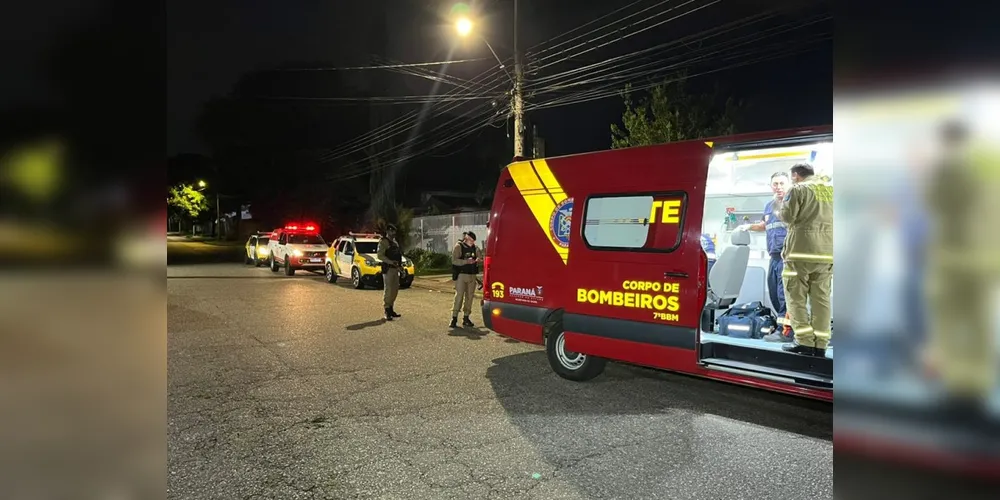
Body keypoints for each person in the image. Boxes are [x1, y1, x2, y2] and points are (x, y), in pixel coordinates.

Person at [778, 163, 833, 357]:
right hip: (827, 253)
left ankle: (804, 342)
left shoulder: (798, 189)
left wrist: (779, 207)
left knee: (796, 298)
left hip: (800, 253)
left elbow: (787, 217)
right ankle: (821, 344)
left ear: (795, 176)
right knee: (822, 299)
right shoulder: (832, 190)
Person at [742, 172, 791, 342]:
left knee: (785, 295)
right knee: (774, 294)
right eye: (775, 184)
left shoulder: (794, 203)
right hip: (774, 257)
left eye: (782, 183)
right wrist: (748, 227)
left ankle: (786, 332)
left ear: (789, 184)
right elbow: (765, 225)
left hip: (789, 257)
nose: (778, 187)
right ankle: (781, 326)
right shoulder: (769, 206)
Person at [450, 231, 482, 328]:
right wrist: (466, 261)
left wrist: (479, 260)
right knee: (459, 296)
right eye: (471, 240)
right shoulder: (459, 246)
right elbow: (454, 260)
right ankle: (454, 317)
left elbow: (480, 257)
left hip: (472, 276)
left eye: (473, 241)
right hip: (461, 275)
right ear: (466, 238)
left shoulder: (475, 248)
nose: (472, 242)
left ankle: (466, 317)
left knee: (470, 297)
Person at [376, 223, 403, 321]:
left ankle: (391, 308)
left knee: (395, 290)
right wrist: (391, 262)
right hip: (388, 269)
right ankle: (387, 310)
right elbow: (380, 256)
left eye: (394, 231)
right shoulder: (383, 242)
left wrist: (400, 267)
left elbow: (398, 256)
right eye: (391, 231)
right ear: (387, 231)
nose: (393, 233)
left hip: (395, 269)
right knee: (388, 289)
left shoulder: (395, 243)